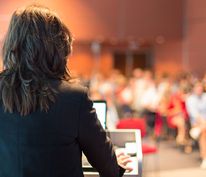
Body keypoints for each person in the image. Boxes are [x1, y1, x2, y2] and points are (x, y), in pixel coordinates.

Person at [0, 5, 132, 177]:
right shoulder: (74, 98)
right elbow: (109, 169)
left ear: (12, 43)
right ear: (59, 47)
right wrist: (116, 165)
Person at [186, 81, 206, 169]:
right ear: (193, 88)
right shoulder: (190, 99)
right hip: (197, 123)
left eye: (200, 87)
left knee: (202, 130)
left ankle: (205, 156)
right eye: (197, 87)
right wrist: (204, 123)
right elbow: (195, 115)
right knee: (203, 132)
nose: (199, 89)